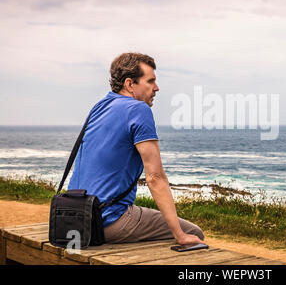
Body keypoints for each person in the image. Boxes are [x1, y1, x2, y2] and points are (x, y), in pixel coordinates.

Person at [67, 52, 206, 245]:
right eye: (150, 81)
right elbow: (155, 178)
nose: (156, 88)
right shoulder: (139, 110)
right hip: (107, 221)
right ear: (130, 84)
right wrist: (179, 235)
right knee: (194, 233)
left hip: (74, 216)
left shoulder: (99, 107)